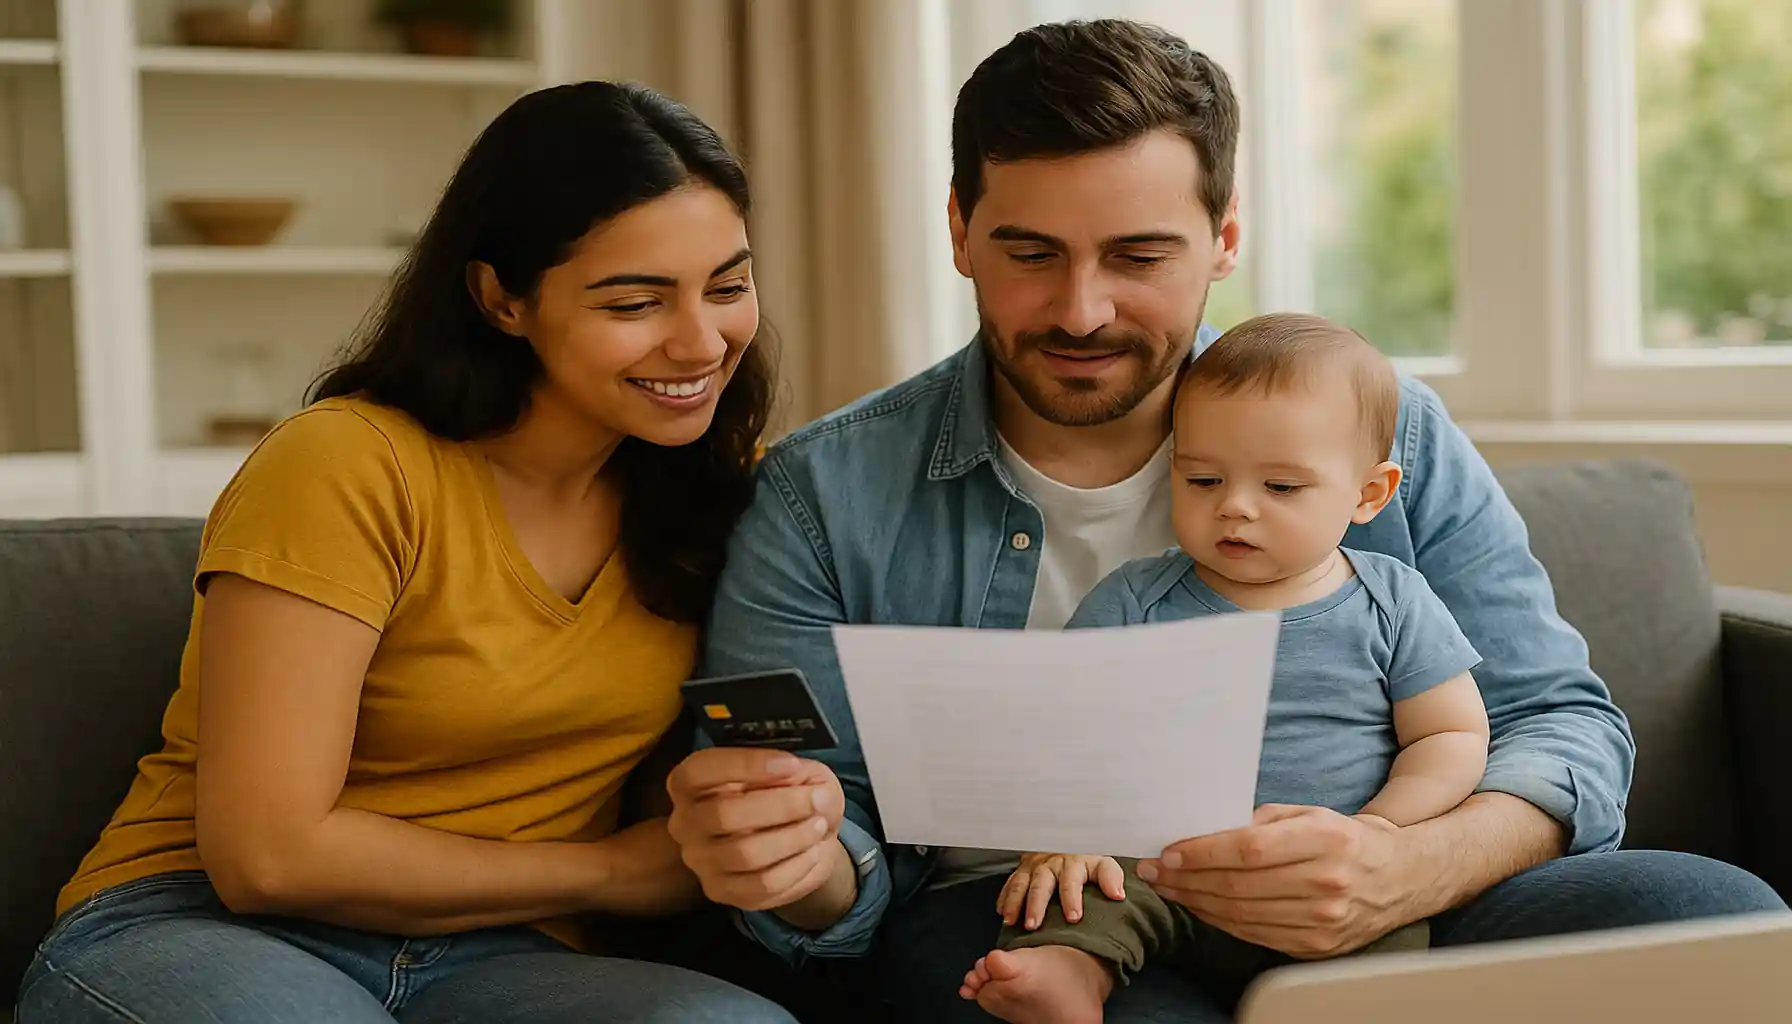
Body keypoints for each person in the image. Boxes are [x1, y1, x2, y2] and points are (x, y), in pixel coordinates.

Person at [663, 18, 1785, 1023]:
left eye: (1140, 256)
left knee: (1706, 908)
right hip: (1041, 907)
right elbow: (829, 844)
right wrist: (796, 866)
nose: (1081, 309)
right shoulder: (822, 493)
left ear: (1224, 239)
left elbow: (1559, 720)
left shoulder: (1384, 431)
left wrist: (1408, 863)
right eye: (1030, 254)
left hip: (1375, 878)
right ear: (960, 230)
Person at [17, 81, 798, 1024]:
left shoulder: (724, 493)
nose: (701, 340)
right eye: (635, 301)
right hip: (203, 923)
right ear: (501, 298)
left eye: (729, 286)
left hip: (505, 954)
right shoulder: (347, 464)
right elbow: (268, 857)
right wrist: (615, 873)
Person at [959, 313, 1493, 1023]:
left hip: (1323, 886)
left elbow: (1451, 737)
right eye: (1204, 478)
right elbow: (1061, 738)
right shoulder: (1134, 600)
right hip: (1160, 874)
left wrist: (1383, 831)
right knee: (1076, 889)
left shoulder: (1392, 600)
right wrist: (1060, 840)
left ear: (1369, 493)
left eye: (1280, 488)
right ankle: (1070, 972)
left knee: (1391, 934)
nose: (1235, 508)